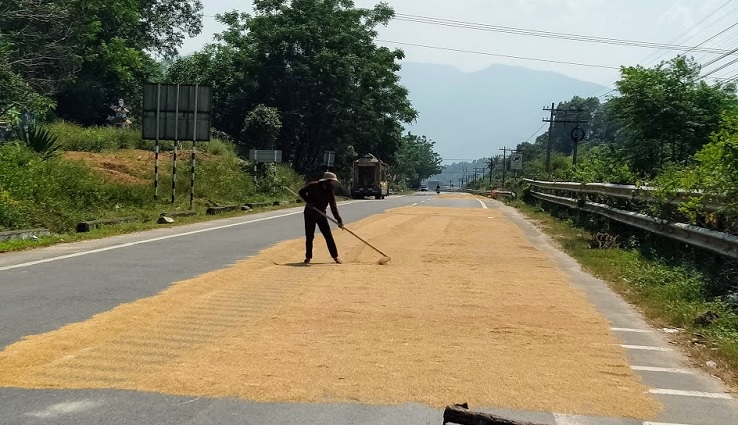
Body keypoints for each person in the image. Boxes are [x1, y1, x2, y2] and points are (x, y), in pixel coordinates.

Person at [298, 172, 344, 264]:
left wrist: (339, 220)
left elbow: (333, 206)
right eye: (331, 182)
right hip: (309, 214)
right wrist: (308, 202)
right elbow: (301, 192)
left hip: (321, 215)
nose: (332, 184)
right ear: (326, 181)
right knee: (309, 236)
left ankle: (335, 256)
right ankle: (308, 257)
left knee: (328, 236)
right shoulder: (313, 185)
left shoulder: (330, 191)